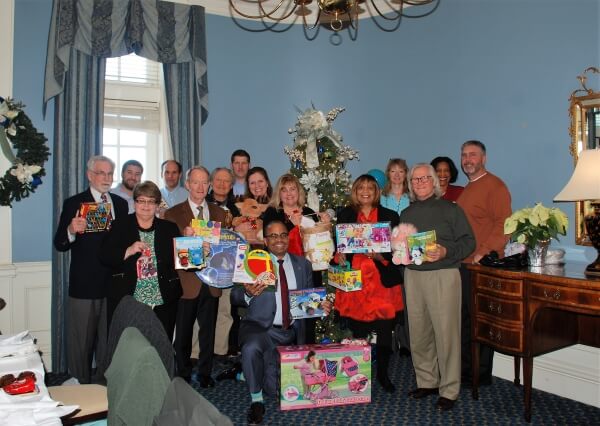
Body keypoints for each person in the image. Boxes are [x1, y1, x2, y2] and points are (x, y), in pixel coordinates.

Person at [227, 220, 331, 425]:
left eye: (283, 235)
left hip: (291, 332)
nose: (279, 240)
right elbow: (234, 296)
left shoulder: (303, 264)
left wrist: (321, 307)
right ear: (265, 241)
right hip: (261, 329)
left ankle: (245, 373)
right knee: (251, 349)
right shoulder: (252, 261)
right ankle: (256, 401)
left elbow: (308, 300)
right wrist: (247, 293)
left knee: (276, 389)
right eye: (273, 236)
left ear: (288, 237)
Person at [400, 163, 475, 411]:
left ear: (434, 181)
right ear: (411, 185)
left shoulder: (451, 209)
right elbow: (403, 247)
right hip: (413, 275)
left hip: (443, 275)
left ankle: (449, 389)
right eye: (415, 179)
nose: (420, 182)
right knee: (419, 333)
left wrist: (445, 251)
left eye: (424, 178)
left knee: (447, 334)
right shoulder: (407, 213)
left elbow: (468, 242)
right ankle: (427, 381)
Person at [54, 155, 129, 383]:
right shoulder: (74, 203)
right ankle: (80, 390)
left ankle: (105, 391)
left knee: (109, 344)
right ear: (89, 175)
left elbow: (123, 241)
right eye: (101, 173)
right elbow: (60, 244)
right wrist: (71, 230)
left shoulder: (120, 203)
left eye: (109, 173)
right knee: (80, 348)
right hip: (85, 287)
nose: (106, 178)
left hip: (113, 286)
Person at [333, 174, 403, 393]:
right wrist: (340, 256)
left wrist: (381, 257)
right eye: (361, 187)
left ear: (376, 192)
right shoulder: (345, 214)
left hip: (382, 284)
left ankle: (383, 374)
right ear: (355, 191)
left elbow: (398, 251)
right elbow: (339, 249)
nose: (365, 191)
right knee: (359, 331)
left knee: (384, 331)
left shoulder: (390, 216)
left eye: (370, 188)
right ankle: (360, 375)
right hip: (356, 284)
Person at [164, 166, 229, 387]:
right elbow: (167, 249)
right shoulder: (172, 214)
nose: (200, 187)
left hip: (212, 281)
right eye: (196, 182)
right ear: (187, 185)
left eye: (204, 183)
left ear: (209, 185)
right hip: (186, 283)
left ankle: (205, 373)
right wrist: (182, 237)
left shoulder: (220, 214)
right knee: (182, 332)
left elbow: (226, 248)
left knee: (208, 332)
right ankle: (182, 373)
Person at [456, 140, 512, 387]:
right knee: (465, 322)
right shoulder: (469, 189)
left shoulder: (495, 186)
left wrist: (483, 253)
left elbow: (504, 224)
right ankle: (466, 373)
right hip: (462, 264)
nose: (468, 159)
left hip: (478, 266)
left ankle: (479, 375)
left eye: (473, 155)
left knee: (477, 322)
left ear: (484, 159)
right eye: (464, 155)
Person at [100, 181, 182, 341]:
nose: (146, 205)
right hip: (128, 299)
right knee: (127, 348)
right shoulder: (119, 225)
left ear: (158, 205)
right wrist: (129, 250)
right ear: (135, 202)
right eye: (141, 200)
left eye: (151, 201)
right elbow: (105, 256)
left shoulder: (169, 228)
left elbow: (184, 262)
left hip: (163, 299)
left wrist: (199, 251)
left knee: (160, 347)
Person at [206, 166, 240, 358]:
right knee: (201, 312)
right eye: (218, 180)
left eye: (226, 181)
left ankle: (220, 352)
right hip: (204, 267)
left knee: (224, 311)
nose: (221, 184)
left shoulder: (236, 210)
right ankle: (197, 353)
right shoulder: (202, 205)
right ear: (211, 182)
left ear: (231, 185)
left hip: (226, 268)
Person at [379, 158, 411, 357]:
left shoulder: (413, 196)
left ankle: (406, 342)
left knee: (407, 300)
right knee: (390, 299)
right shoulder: (381, 198)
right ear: (388, 174)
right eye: (393, 171)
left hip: (408, 256)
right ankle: (389, 341)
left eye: (401, 171)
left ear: (406, 173)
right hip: (387, 255)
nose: (397, 174)